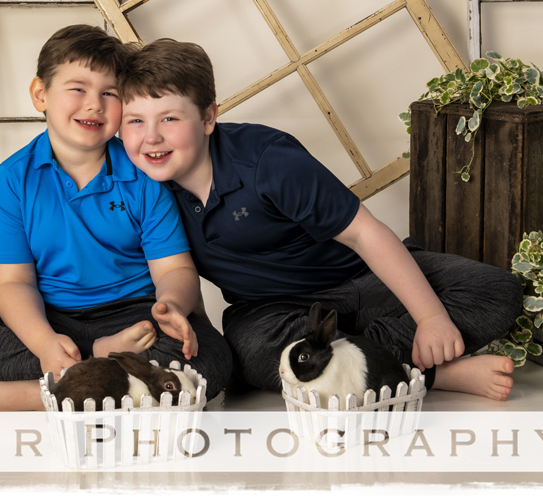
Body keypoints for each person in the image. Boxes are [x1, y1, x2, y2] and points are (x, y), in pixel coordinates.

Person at [117, 38, 522, 401]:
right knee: (252, 351)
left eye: (169, 119)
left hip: (364, 282)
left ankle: (376, 367)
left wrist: (430, 319)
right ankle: (427, 375)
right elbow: (179, 271)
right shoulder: (144, 188)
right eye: (135, 121)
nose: (151, 137)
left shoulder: (266, 161)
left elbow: (366, 234)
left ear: (208, 118)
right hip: (273, 310)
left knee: (495, 293)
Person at [0, 25, 232, 411]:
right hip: (50, 317)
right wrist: (45, 344)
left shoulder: (142, 174)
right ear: (40, 94)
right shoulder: (15, 178)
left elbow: (174, 269)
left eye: (109, 93)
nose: (94, 104)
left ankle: (51, 392)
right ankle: (94, 373)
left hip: (135, 317)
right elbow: (12, 282)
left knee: (212, 360)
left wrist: (170, 306)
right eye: (78, 88)